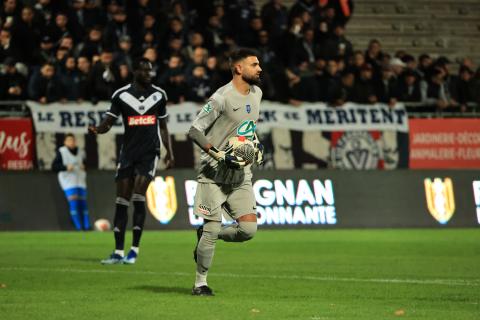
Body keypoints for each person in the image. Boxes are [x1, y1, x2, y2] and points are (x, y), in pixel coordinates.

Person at [187, 48, 264, 296]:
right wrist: (216, 154)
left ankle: (208, 235)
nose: (259, 68)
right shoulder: (220, 98)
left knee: (248, 230)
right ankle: (200, 283)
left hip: (241, 174)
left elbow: (246, 130)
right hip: (213, 173)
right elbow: (195, 131)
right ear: (239, 68)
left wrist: (256, 145)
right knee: (211, 226)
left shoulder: (257, 94)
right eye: (254, 64)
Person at [88, 58, 174, 265]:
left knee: (138, 196)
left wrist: (168, 151)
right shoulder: (121, 95)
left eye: (150, 71)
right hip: (128, 152)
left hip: (149, 153)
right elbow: (109, 121)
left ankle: (133, 250)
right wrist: (99, 129)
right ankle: (118, 252)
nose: (148, 74)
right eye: (144, 70)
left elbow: (163, 126)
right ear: (134, 71)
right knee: (121, 201)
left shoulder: (159, 95)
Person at [51, 134, 91, 231]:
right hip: (68, 182)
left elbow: (87, 164)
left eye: (73, 140)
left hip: (80, 181)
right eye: (69, 140)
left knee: (83, 205)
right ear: (65, 142)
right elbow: (54, 167)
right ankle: (78, 227)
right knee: (74, 204)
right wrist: (65, 167)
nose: (71, 142)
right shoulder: (62, 152)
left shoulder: (80, 152)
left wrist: (85, 166)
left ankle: (87, 227)